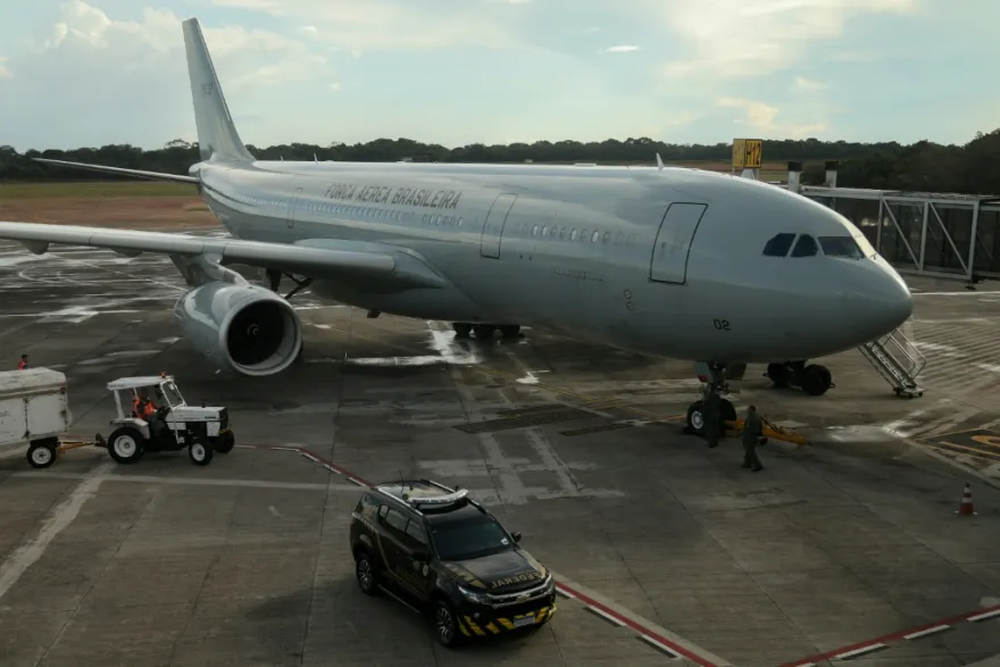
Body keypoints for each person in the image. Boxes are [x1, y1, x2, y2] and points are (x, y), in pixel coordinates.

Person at [741, 405, 764, 472]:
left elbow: (749, 428)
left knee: (750, 451)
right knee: (749, 450)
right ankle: (747, 463)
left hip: (750, 436)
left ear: (751, 410)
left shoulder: (752, 418)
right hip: (751, 435)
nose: (747, 410)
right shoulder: (754, 416)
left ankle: (757, 465)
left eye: (748, 409)